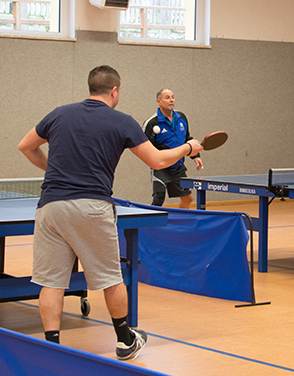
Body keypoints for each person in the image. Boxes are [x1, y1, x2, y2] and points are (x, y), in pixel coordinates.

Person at [18, 66, 203, 360]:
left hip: (50, 207)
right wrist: (187, 148)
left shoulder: (59, 114)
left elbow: (25, 146)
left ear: (91, 87)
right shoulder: (122, 121)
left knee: (51, 282)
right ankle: (125, 341)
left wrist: (55, 170)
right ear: (114, 91)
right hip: (92, 207)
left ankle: (51, 346)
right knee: (110, 277)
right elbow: (157, 161)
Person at [142, 88, 203, 208]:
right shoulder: (152, 123)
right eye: (167, 97)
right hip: (161, 167)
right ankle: (151, 219)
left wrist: (195, 156)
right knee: (159, 198)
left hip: (178, 166)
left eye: (173, 97)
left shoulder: (182, 118)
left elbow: (187, 138)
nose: (171, 100)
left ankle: (181, 219)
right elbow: (145, 147)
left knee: (187, 199)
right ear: (158, 101)